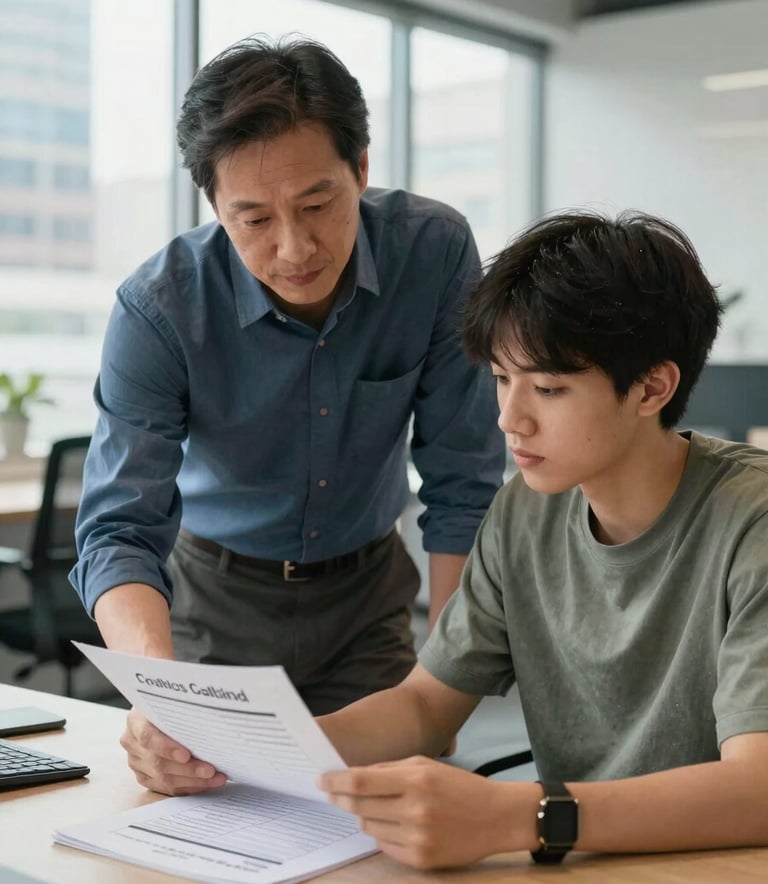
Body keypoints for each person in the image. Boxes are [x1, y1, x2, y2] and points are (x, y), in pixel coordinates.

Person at [71, 36, 504, 793]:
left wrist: (448, 672)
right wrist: (159, 698)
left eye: (317, 204)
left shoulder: (431, 254)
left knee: (387, 828)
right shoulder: (160, 309)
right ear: (213, 205)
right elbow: (117, 529)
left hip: (366, 601)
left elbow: (462, 479)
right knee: (211, 822)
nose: (294, 248)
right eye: (254, 221)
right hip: (214, 605)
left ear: (361, 169)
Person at [312, 210, 768, 869]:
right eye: (501, 380)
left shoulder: (751, 520)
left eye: (548, 388)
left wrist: (524, 814)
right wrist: (269, 750)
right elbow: (424, 707)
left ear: (652, 387)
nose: (509, 418)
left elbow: (757, 790)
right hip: (581, 861)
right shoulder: (524, 510)